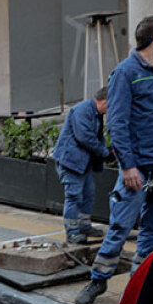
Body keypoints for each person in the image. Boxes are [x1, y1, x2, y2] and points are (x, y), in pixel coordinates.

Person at [75, 15, 153, 304]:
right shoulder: (125, 73)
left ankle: (140, 285)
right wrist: (128, 166)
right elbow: (117, 124)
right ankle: (98, 278)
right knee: (120, 226)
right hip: (138, 168)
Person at [51, 86, 110, 245]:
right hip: (71, 162)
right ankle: (72, 232)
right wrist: (104, 152)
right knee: (74, 196)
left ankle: (84, 226)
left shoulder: (95, 113)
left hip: (82, 163)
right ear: (104, 102)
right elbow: (85, 137)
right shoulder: (82, 111)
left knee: (88, 195)